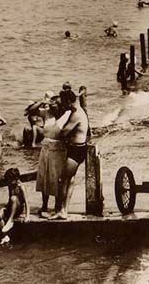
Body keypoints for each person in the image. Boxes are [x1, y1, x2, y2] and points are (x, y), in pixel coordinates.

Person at [50, 87, 89, 220]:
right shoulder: (79, 110)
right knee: (70, 181)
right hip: (79, 148)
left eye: (64, 103)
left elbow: (63, 132)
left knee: (62, 180)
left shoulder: (76, 114)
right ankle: (64, 210)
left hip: (76, 151)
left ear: (68, 101)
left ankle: (61, 210)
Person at [0, 167, 29, 242]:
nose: (9, 182)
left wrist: (27, 216)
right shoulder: (10, 185)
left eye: (10, 180)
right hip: (11, 207)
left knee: (13, 198)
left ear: (16, 179)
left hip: (18, 209)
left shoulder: (21, 187)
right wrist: (5, 208)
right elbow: (9, 200)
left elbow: (27, 202)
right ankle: (5, 236)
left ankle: (10, 220)